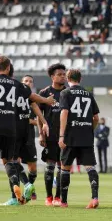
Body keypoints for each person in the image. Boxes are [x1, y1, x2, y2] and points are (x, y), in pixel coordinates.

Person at [0, 56, 55, 207]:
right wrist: (47, 101)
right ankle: (18, 184)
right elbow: (33, 97)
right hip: (11, 129)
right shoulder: (17, 84)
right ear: (9, 68)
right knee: (9, 161)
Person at [0, 73, 49, 206]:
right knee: (14, 162)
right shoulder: (14, 95)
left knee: (32, 167)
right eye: (26, 80)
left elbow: (35, 115)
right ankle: (15, 197)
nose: (28, 82)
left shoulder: (32, 98)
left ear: (32, 84)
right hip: (16, 134)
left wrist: (40, 123)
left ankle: (29, 187)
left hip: (28, 135)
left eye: (30, 81)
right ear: (21, 82)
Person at [59, 69, 101, 208]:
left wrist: (61, 135)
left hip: (70, 135)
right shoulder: (89, 94)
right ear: (80, 79)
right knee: (90, 167)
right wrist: (90, 129)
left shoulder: (65, 93)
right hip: (86, 135)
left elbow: (64, 113)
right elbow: (96, 118)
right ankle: (94, 198)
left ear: (67, 78)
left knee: (65, 168)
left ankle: (63, 201)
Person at [38, 63, 67, 207]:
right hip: (50, 136)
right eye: (60, 74)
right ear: (52, 76)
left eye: (64, 74)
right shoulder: (44, 93)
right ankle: (49, 197)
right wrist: (41, 134)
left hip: (65, 137)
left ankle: (58, 197)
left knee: (62, 167)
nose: (63, 76)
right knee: (50, 166)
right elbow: (39, 115)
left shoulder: (68, 92)